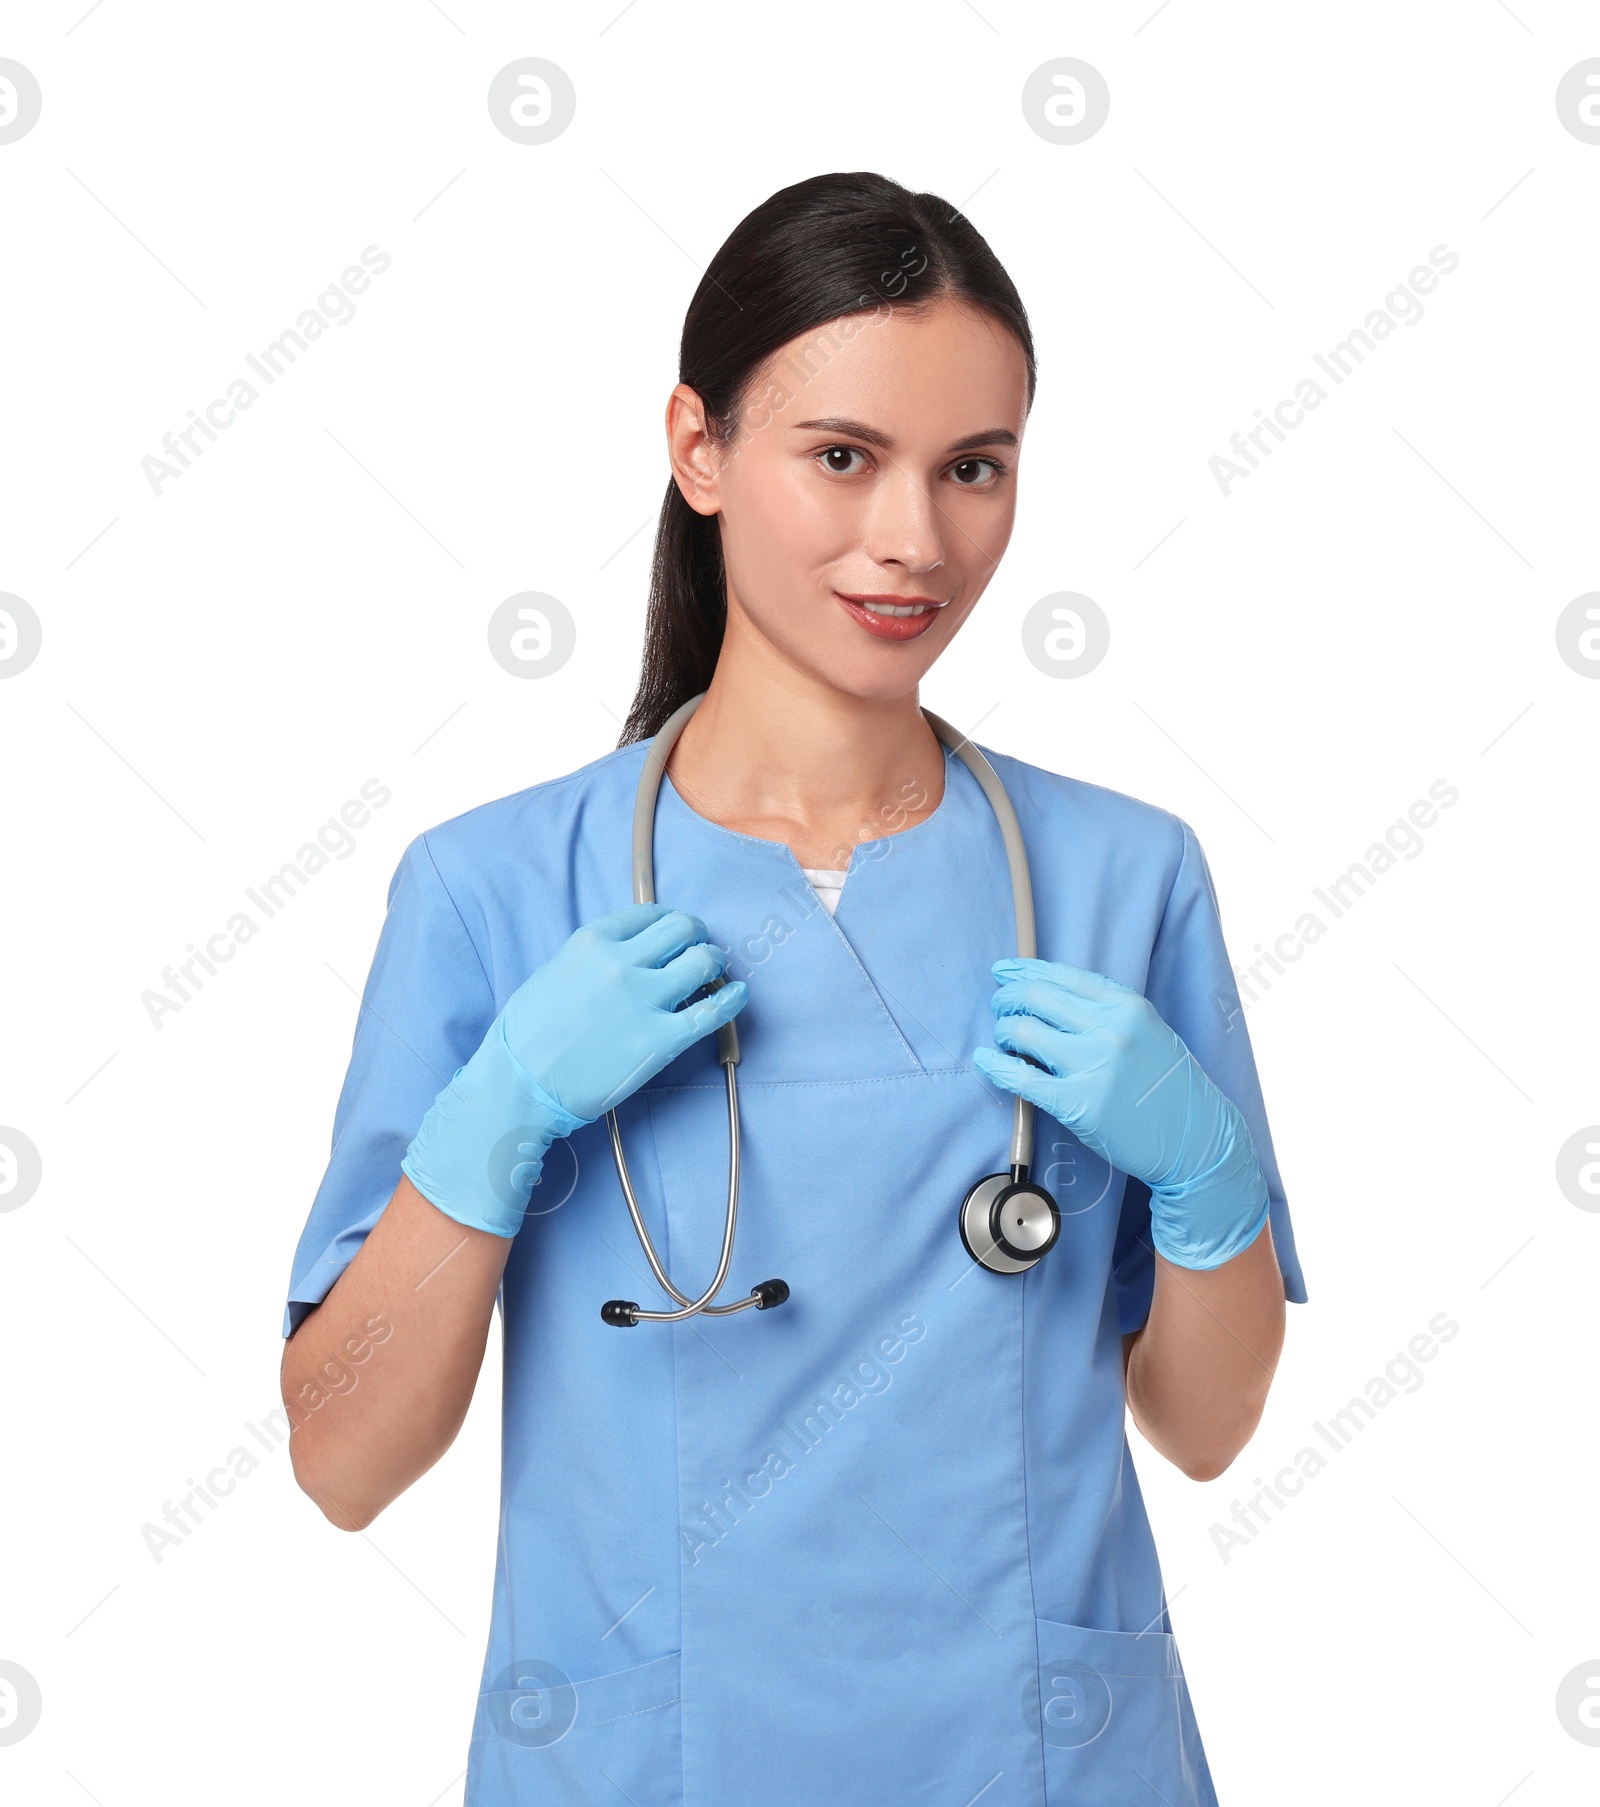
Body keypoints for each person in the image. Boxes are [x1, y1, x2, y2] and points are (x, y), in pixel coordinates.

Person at [281, 170, 1306, 1806]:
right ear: (698, 449)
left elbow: (1205, 1424)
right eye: (844, 457)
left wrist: (1208, 1181)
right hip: (664, 1761)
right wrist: (491, 1129)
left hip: (1043, 1758)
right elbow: (341, 1461)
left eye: (974, 469)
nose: (916, 539)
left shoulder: (1125, 875)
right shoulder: (488, 894)